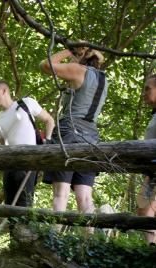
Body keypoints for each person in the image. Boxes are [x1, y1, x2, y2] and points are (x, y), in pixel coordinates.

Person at [40, 46, 108, 215]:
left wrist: (70, 50)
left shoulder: (79, 70)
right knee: (84, 196)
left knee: (60, 193)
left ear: (81, 56)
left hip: (69, 132)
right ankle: (91, 239)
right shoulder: (103, 79)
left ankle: (53, 239)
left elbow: (45, 65)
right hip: (91, 137)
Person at [0, 81, 54, 207]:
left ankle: (24, 227)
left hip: (29, 162)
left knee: (25, 202)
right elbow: (4, 147)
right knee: (9, 204)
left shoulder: (26, 104)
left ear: (3, 91)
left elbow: (49, 120)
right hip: (10, 165)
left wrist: (48, 142)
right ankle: (12, 226)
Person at [136, 74, 156, 244]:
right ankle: (150, 248)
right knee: (143, 211)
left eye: (148, 89)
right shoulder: (154, 114)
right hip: (151, 173)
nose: (144, 93)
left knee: (147, 211)